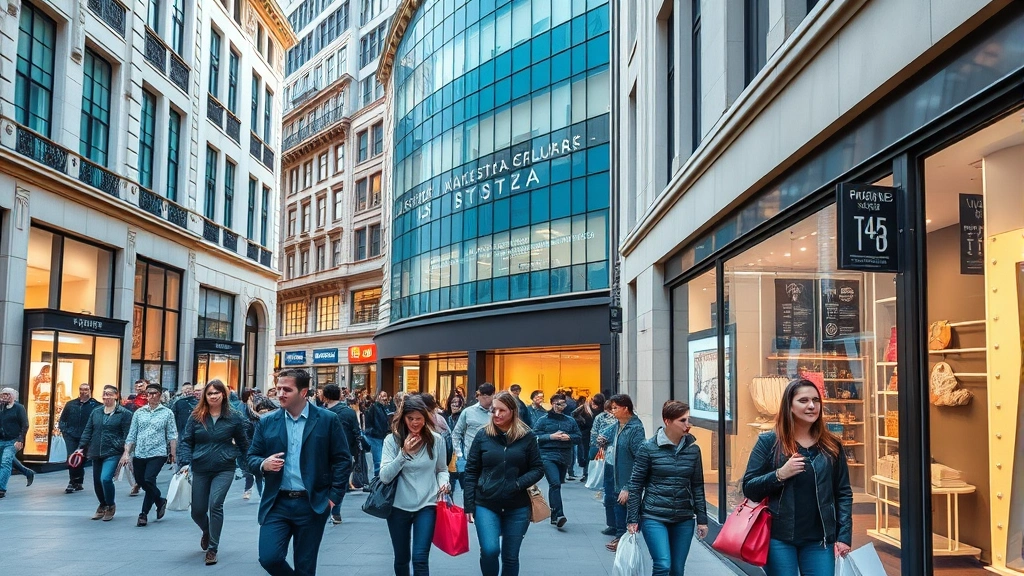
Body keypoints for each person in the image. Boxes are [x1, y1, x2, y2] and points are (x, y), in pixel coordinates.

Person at [246, 368, 352, 575]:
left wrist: (333, 498)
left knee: (305, 566)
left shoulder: (327, 419)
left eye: (287, 389)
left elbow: (342, 460)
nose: (280, 394)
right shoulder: (267, 421)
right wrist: (263, 464)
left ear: (303, 392)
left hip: (312, 503)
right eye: (278, 388)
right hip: (277, 502)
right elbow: (251, 457)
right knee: (269, 558)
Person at [742, 379, 853, 575]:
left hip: (820, 540)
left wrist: (843, 535)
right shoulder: (769, 442)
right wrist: (780, 474)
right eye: (803, 400)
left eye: (816, 400)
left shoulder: (832, 446)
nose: (812, 406)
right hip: (779, 538)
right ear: (789, 406)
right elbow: (750, 487)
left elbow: (843, 493)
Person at [464, 391, 544, 576]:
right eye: (494, 410)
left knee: (510, 556)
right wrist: (469, 504)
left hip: (518, 506)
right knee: (490, 550)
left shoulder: (527, 436)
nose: (497, 414)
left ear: (513, 411)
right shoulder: (483, 435)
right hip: (486, 503)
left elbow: (538, 468)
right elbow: (471, 471)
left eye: (502, 410)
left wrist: (517, 484)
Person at [626, 401, 709, 575]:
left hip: (684, 516)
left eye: (689, 420)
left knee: (677, 569)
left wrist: (702, 519)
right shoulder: (648, 448)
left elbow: (697, 486)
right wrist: (632, 518)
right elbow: (636, 484)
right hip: (654, 515)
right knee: (663, 564)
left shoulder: (693, 450)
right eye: (682, 420)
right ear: (667, 421)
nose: (688, 425)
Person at [177, 380, 251, 566]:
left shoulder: (234, 416)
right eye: (210, 393)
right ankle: (207, 530)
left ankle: (213, 548)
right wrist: (185, 462)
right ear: (205, 396)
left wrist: (251, 463)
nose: (213, 396)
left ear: (223, 394)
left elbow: (243, 443)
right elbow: (186, 441)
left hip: (224, 467)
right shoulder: (196, 416)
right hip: (200, 468)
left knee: (216, 504)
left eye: (217, 393)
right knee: (197, 511)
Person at [381, 395, 450, 575]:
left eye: (419, 418)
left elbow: (442, 469)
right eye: (410, 418)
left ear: (425, 418)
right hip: (398, 506)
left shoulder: (436, 440)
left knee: (420, 558)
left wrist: (444, 483)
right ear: (403, 418)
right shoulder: (392, 441)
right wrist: (403, 454)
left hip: (427, 504)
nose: (414, 423)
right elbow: (385, 476)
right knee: (401, 558)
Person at [122, 383, 177, 527]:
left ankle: (143, 514)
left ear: (160, 395)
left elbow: (172, 434)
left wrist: (173, 453)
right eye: (148, 393)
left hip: (158, 453)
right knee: (141, 481)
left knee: (149, 479)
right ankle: (159, 500)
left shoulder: (167, 413)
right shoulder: (139, 413)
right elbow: (132, 434)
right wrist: (126, 453)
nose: (150, 396)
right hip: (140, 452)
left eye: (153, 393)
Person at [74, 385, 132, 521]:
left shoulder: (124, 413)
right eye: (104, 394)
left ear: (116, 396)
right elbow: (88, 429)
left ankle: (110, 505)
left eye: (109, 394)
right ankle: (102, 504)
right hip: (96, 451)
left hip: (113, 451)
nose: (106, 397)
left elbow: (128, 434)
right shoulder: (96, 411)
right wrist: (81, 447)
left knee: (105, 479)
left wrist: (126, 452)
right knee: (97, 482)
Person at [532, 392, 581, 527]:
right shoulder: (543, 420)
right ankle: (559, 514)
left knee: (557, 483)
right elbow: (534, 436)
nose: (560, 407)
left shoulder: (570, 420)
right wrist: (550, 437)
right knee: (555, 484)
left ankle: (554, 515)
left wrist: (569, 437)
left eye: (563, 404)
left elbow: (578, 437)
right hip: (547, 455)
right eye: (558, 404)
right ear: (552, 404)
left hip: (564, 456)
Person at [605, 394, 646, 551]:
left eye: (615, 408)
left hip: (629, 480)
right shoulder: (618, 425)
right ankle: (620, 539)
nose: (613, 411)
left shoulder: (635, 428)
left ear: (625, 408)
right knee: (618, 508)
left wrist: (629, 486)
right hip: (617, 476)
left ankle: (625, 543)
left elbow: (640, 459)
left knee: (629, 512)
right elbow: (602, 434)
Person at [322, 384, 360, 524]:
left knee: (325, 481)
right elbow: (356, 432)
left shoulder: (321, 413)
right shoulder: (349, 412)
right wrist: (355, 452)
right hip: (345, 451)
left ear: (325, 396)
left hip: (324, 452)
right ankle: (336, 511)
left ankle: (326, 508)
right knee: (341, 481)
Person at [57, 382, 101, 493]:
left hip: (87, 437)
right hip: (71, 436)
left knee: (82, 459)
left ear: (90, 391)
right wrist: (65, 431)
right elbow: (63, 419)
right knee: (72, 458)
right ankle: (72, 481)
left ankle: (78, 481)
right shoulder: (71, 404)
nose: (83, 391)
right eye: (81, 389)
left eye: (86, 389)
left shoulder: (96, 406)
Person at [451, 383, 495, 473]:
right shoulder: (468, 412)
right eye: (484, 397)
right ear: (478, 396)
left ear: (493, 395)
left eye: (488, 397)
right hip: (471, 459)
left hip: (493, 459)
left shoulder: (498, 412)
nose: (486, 400)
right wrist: (460, 455)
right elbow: (456, 433)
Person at [0, 387, 29, 499]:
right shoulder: (1, 408)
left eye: (7, 394)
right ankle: (27, 472)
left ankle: (1, 488)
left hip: (13, 440)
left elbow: (25, 424)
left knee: (5, 461)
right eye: (3, 394)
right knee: (5, 460)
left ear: (12, 396)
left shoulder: (19, 408)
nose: (4, 397)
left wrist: (20, 440)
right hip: (1, 439)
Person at [364, 390, 392, 481]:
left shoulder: (383, 407)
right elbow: (371, 421)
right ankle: (377, 479)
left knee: (380, 459)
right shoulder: (374, 407)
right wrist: (374, 431)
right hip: (375, 436)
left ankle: (378, 478)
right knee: (378, 459)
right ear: (378, 397)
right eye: (382, 396)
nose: (384, 398)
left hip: (380, 435)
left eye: (385, 396)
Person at [572, 396, 594, 483]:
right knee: (585, 454)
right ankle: (586, 473)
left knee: (586, 454)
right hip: (585, 435)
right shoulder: (586, 411)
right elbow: (574, 414)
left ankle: (586, 473)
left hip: (587, 435)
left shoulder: (591, 412)